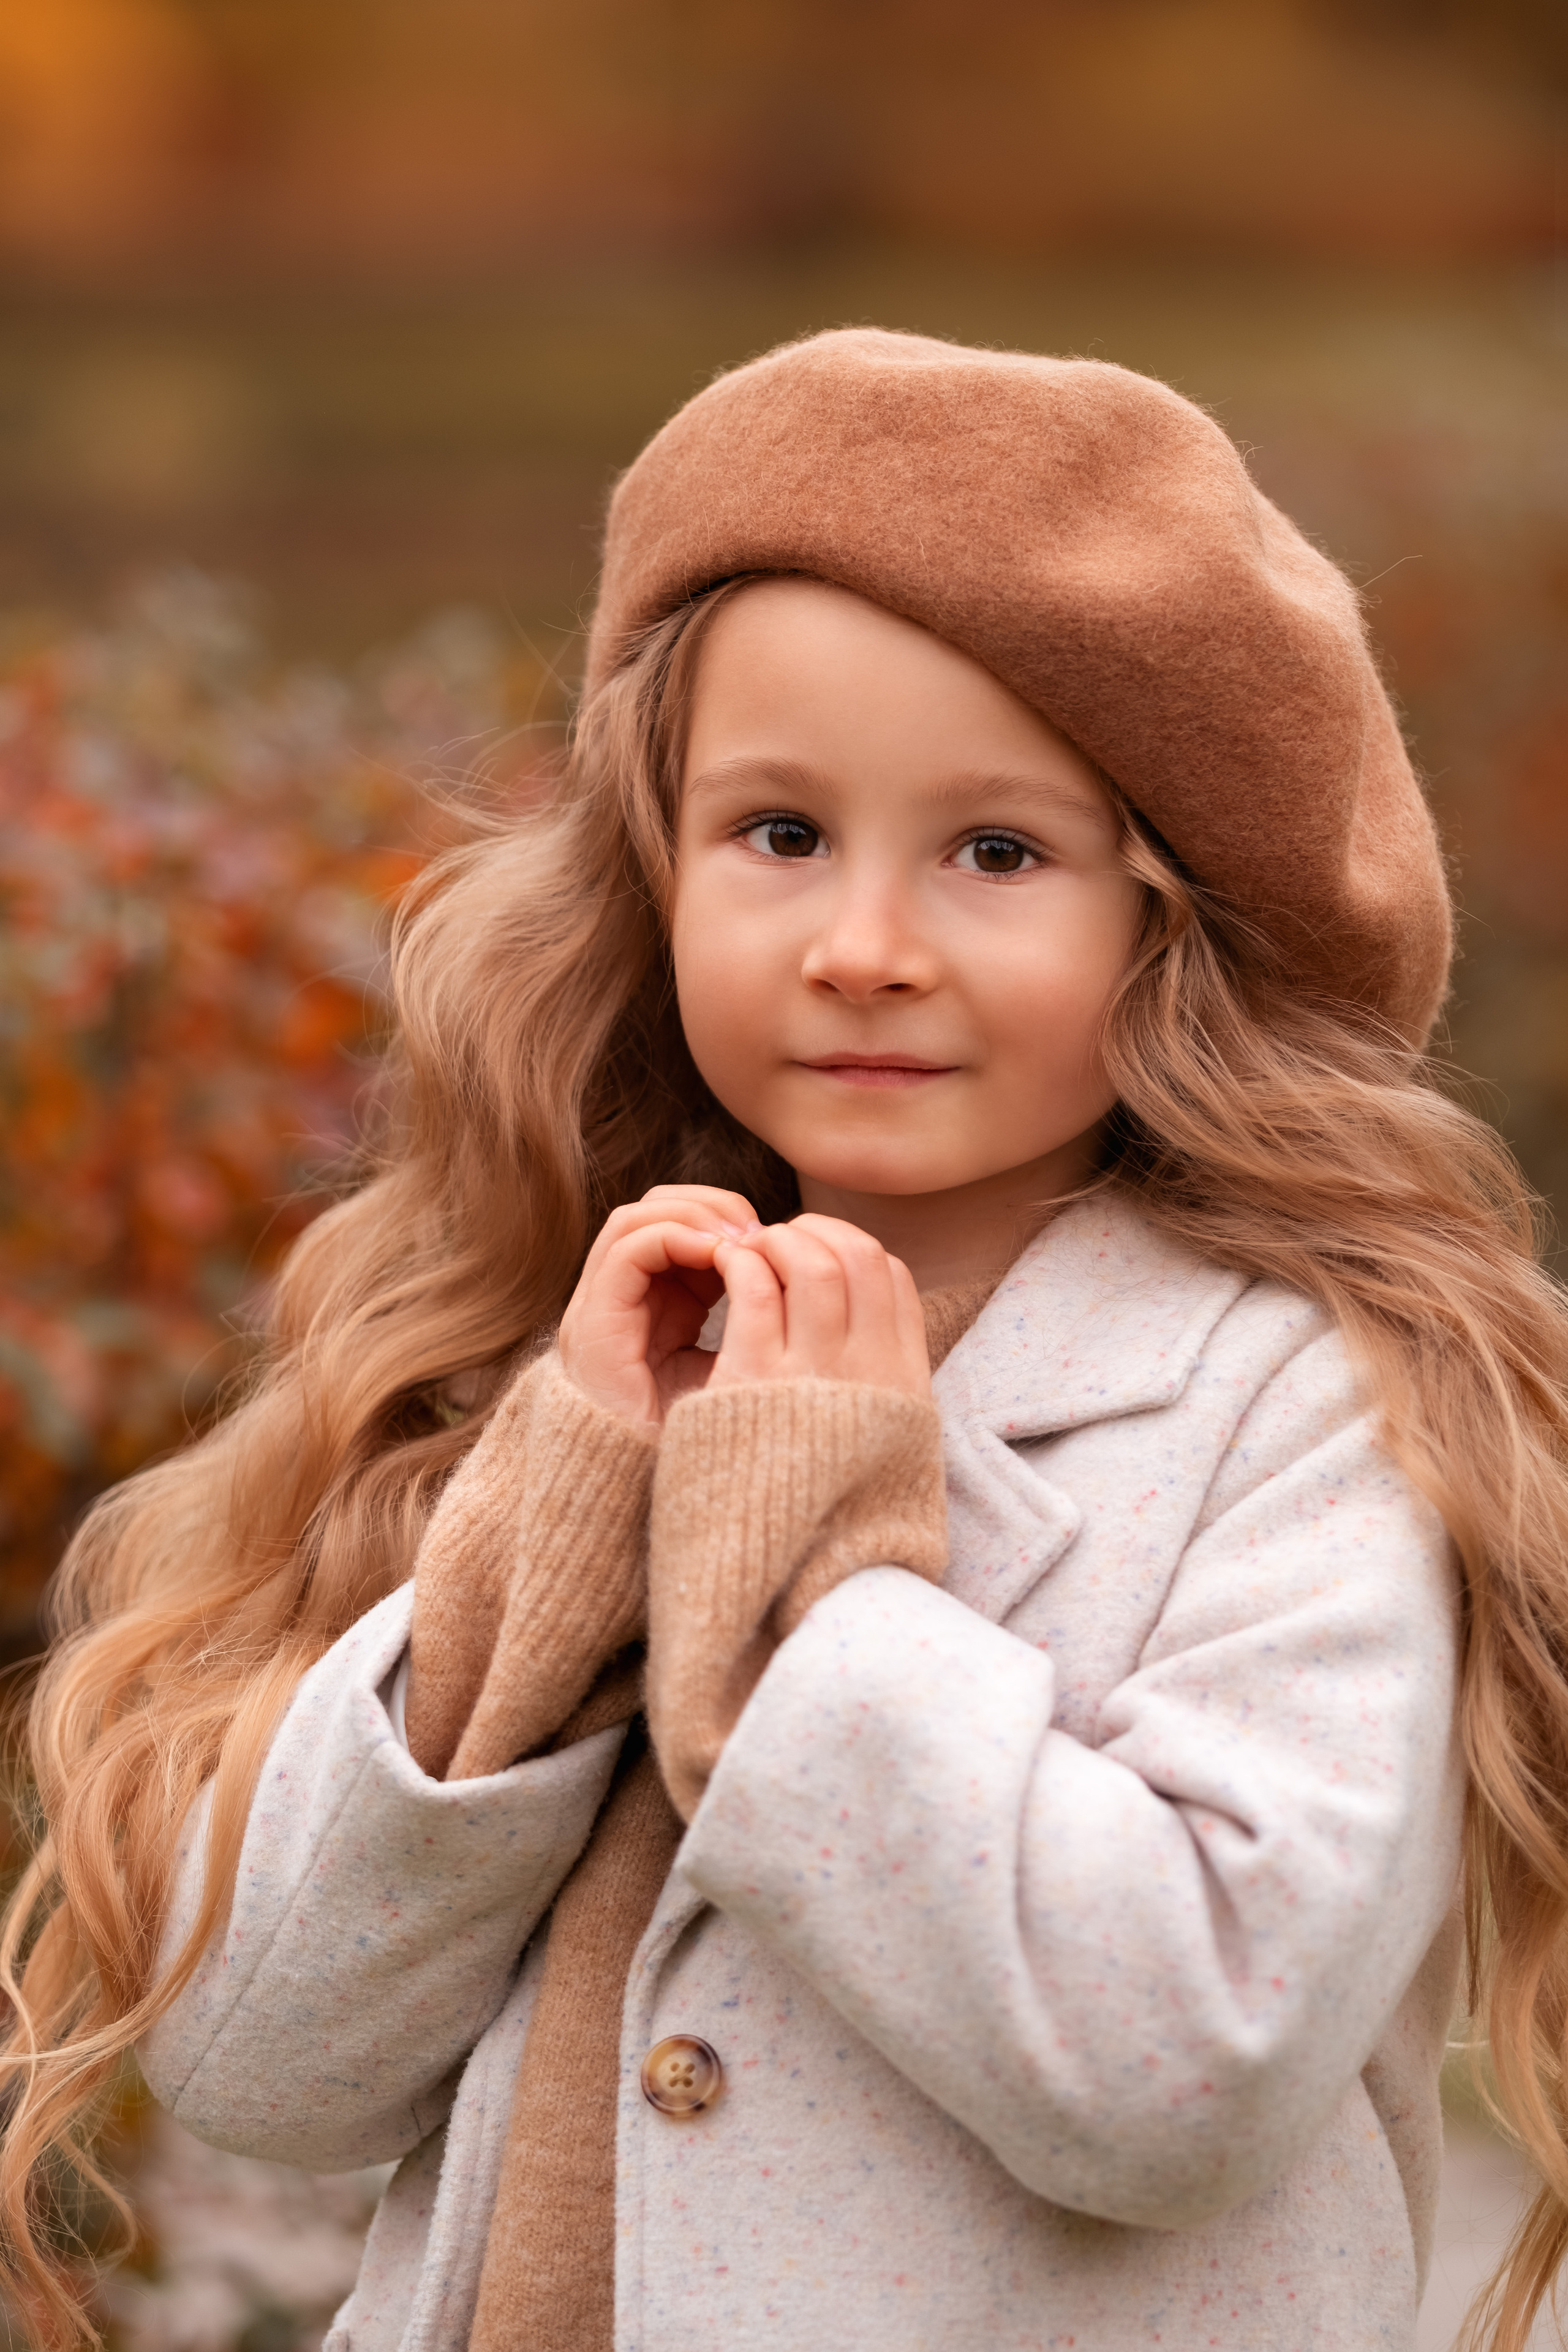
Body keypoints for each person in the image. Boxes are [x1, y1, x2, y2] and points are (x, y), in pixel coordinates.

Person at [5, 329, 1567, 2352]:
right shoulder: (577, 1351)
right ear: (652, 866)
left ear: (1174, 924)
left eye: (997, 853)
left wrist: (814, 1565)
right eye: (779, 833)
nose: (861, 942)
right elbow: (271, 2072)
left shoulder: (1299, 1412)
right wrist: (550, 1526)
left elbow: (1185, 2062)